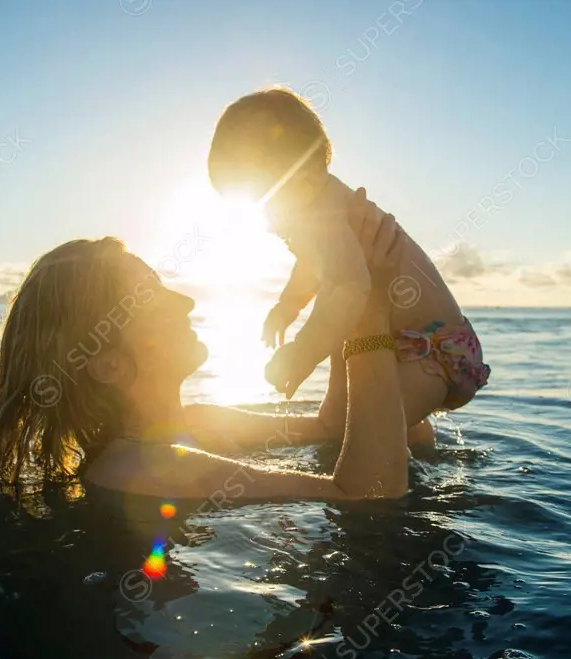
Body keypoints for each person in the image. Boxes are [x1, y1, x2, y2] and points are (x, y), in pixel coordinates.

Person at [0, 191, 425, 500]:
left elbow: (330, 428)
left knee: (417, 431)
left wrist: (343, 291)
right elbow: (369, 494)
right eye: (149, 295)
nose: (185, 300)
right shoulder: (139, 467)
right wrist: (370, 311)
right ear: (107, 363)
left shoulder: (198, 424)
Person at [206, 86, 491, 428]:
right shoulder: (317, 208)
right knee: (348, 427)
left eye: (264, 202)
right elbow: (313, 266)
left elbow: (348, 286)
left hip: (434, 353)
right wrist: (287, 306)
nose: (265, 221)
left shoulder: (323, 214)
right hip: (407, 348)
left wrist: (302, 354)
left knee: (369, 434)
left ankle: (402, 459)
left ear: (305, 181)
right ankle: (418, 445)